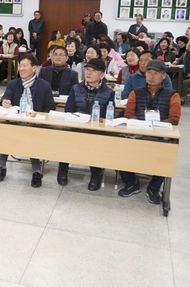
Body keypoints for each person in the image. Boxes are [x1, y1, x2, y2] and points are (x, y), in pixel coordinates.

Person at [118, 60, 181, 204]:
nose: (151, 76)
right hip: (138, 131)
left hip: (161, 134)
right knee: (119, 146)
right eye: (149, 72)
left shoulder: (173, 95)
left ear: (164, 75)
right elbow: (128, 113)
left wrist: (154, 127)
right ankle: (131, 182)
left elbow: (174, 118)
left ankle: (154, 187)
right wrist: (142, 126)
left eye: (156, 73)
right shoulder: (136, 93)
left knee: (166, 151)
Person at [0, 54, 55, 188]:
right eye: (20, 66)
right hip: (15, 123)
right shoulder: (14, 83)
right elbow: (4, 100)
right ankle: (2, 166)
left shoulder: (44, 86)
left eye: (24, 66)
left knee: (33, 137)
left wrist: (37, 116)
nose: (21, 69)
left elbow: (50, 108)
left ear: (34, 68)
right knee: (5, 133)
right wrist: (4, 102)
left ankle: (37, 172)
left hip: (36, 124)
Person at [61, 58, 115, 189]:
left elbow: (109, 115)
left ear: (102, 74)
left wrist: (101, 119)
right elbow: (68, 110)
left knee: (96, 142)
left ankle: (96, 174)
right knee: (64, 137)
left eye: (93, 71)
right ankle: (63, 169)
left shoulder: (109, 93)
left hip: (95, 129)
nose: (89, 73)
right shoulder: (76, 88)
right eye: (87, 70)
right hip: (76, 126)